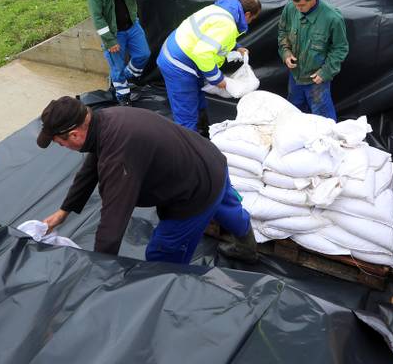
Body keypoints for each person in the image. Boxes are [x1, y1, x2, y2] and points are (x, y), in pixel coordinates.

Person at [39, 96, 257, 264]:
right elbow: (89, 171)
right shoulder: (105, 119)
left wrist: (99, 268)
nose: (63, 147)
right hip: (211, 160)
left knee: (162, 255)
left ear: (75, 134)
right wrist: (64, 212)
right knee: (228, 207)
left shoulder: (118, 154)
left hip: (193, 192)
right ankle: (248, 246)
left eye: (60, 143)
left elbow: (113, 221)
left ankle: (163, 295)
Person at [156, 0, 261, 135]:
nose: (250, 22)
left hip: (182, 55)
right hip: (178, 64)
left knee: (198, 100)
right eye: (252, 19)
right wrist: (218, 80)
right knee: (186, 113)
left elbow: (212, 37)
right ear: (247, 14)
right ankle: (189, 149)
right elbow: (202, 53)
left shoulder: (223, 10)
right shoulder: (227, 24)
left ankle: (203, 133)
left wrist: (236, 48)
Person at [88, 0, 151, 105]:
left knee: (143, 54)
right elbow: (97, 17)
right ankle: (123, 98)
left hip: (132, 26)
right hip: (114, 33)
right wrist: (109, 40)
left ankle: (127, 77)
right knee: (117, 68)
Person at [277, 0, 349, 120]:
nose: (298, 8)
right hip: (295, 75)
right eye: (295, 4)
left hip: (317, 79)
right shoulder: (290, 8)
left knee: (323, 118)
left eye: (302, 5)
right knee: (293, 113)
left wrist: (326, 71)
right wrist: (286, 53)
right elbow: (282, 31)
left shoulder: (332, 18)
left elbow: (340, 48)